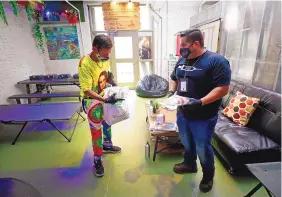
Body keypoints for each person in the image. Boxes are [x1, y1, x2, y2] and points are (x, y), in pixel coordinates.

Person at [169, 29, 231, 193]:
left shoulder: (216, 61)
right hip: (182, 112)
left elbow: (222, 89)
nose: (180, 49)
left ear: (196, 43)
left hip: (203, 116)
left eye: (183, 45)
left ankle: (208, 176)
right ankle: (189, 164)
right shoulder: (183, 59)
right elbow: (175, 78)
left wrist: (200, 102)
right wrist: (171, 93)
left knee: (202, 147)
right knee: (186, 141)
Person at [78, 34, 121, 177]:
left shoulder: (105, 58)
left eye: (109, 52)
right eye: (105, 52)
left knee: (108, 122)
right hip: (91, 101)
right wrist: (104, 101)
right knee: (96, 131)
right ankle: (97, 159)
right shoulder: (85, 63)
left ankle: (107, 145)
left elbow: (106, 74)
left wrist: (113, 83)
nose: (107, 56)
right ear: (95, 48)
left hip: (103, 96)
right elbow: (87, 90)